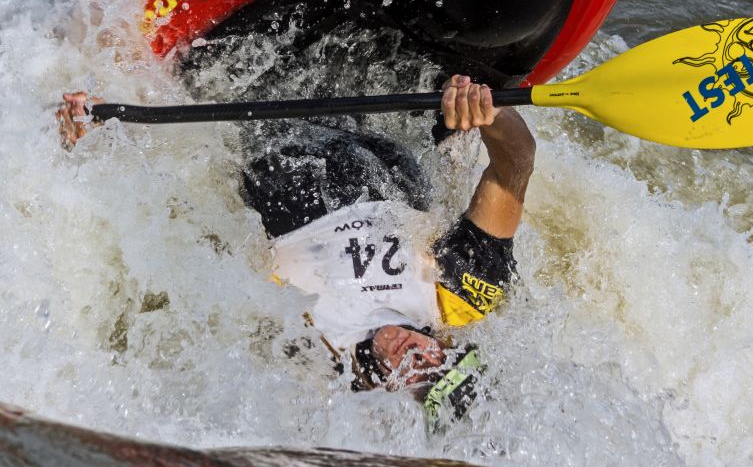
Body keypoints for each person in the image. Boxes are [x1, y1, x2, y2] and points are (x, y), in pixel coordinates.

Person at [57, 74, 536, 428]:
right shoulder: (461, 297)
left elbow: (174, 238)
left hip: (280, 170)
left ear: (390, 401)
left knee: (247, 80)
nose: (420, 360)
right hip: (381, 151)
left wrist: (102, 150)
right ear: (451, 349)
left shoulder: (308, 361)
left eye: (420, 382)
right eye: (440, 363)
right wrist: (492, 115)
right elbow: (515, 164)